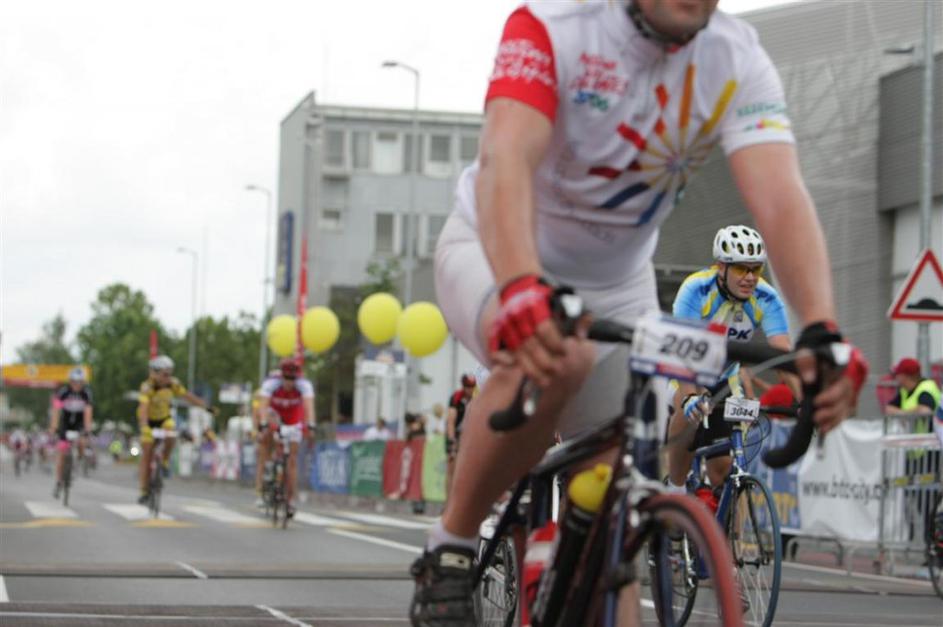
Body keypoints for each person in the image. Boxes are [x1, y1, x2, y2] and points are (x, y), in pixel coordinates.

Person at [410, 1, 868, 625]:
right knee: (562, 357)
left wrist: (821, 329)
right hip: (495, 249)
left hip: (617, 282)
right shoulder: (553, 24)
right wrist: (520, 285)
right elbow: (506, 158)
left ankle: (579, 559)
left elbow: (781, 196)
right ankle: (451, 547)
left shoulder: (736, 58)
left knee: (613, 526)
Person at [664, 226, 795, 492]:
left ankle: (730, 516)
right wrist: (689, 397)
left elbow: (783, 355)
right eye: (741, 269)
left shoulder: (766, 297)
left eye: (755, 269)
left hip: (725, 379)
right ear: (721, 267)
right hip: (686, 373)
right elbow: (683, 353)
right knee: (689, 408)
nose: (750, 277)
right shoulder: (696, 290)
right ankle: (675, 489)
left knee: (725, 473)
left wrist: (805, 402)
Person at [136, 355, 211, 504]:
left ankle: (164, 461)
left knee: (171, 432)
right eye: (165, 374)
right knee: (147, 455)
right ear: (155, 373)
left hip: (164, 419)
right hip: (149, 421)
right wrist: (144, 427)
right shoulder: (147, 387)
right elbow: (143, 409)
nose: (168, 377)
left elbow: (187, 396)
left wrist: (205, 406)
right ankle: (144, 490)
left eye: (170, 374)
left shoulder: (172, 384)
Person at [254, 358, 316, 517]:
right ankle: (261, 488)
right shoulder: (270, 383)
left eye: (292, 378)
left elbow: (309, 407)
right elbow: (263, 406)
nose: (289, 382)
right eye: (286, 378)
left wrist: (311, 425)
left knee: (292, 460)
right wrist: (263, 424)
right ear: (281, 376)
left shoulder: (304, 385)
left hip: (293, 418)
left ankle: (290, 500)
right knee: (265, 443)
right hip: (274, 414)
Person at [49, 367, 94, 497]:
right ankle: (59, 481)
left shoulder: (86, 393)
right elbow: (56, 410)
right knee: (62, 452)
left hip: (79, 423)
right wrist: (53, 427)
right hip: (65, 422)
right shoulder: (63, 392)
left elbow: (88, 412)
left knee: (82, 442)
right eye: (74, 381)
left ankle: (77, 461)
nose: (77, 385)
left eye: (80, 382)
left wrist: (88, 429)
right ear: (70, 381)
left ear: (83, 382)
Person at [445, 373, 476, 497]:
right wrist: (451, 440)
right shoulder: (456, 397)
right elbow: (451, 421)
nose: (470, 389)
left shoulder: (476, 398)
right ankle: (449, 501)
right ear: (463, 386)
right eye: (468, 386)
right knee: (452, 468)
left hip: (467, 435)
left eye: (472, 386)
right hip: (455, 433)